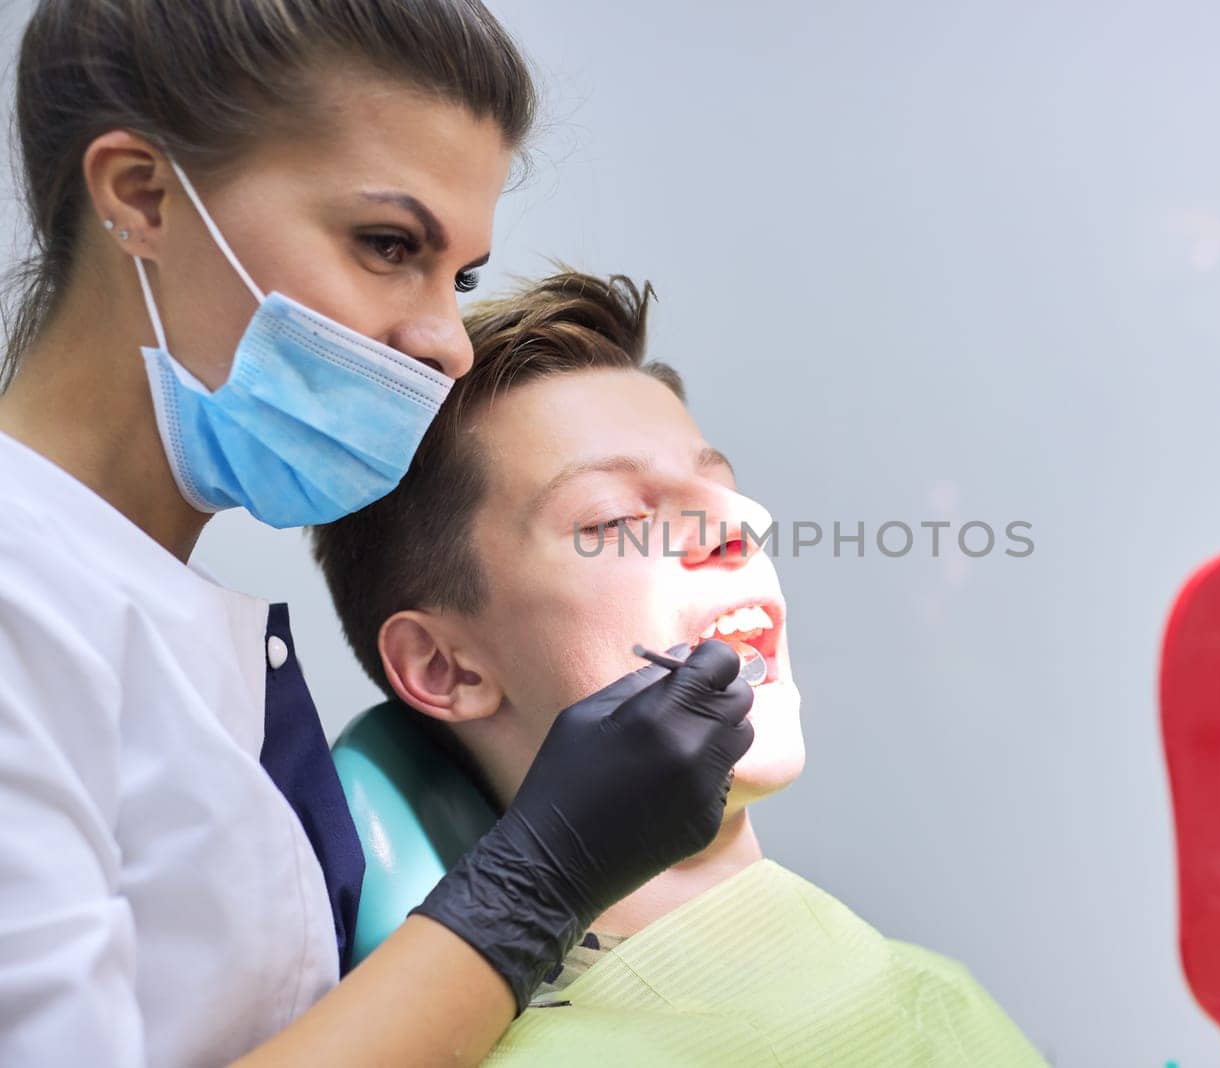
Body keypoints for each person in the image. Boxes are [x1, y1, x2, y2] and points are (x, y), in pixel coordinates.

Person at [0, 3, 752, 1064]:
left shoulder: (156, 608)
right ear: (142, 195)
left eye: (463, 277)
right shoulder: (23, 593)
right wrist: (536, 883)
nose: (446, 343)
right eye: (388, 245)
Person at [311, 271, 1045, 1065]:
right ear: (444, 667)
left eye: (723, 489)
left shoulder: (933, 986)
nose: (739, 526)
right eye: (616, 517)